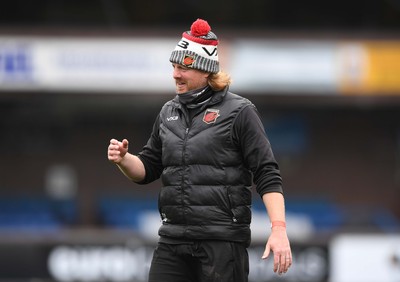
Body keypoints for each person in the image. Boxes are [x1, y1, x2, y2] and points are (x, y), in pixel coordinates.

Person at [107, 18, 292, 282]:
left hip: (222, 241)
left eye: (183, 67)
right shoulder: (167, 112)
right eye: (173, 66)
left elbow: (266, 173)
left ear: (206, 71)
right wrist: (124, 160)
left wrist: (279, 229)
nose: (175, 74)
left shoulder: (240, 111)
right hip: (173, 238)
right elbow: (147, 169)